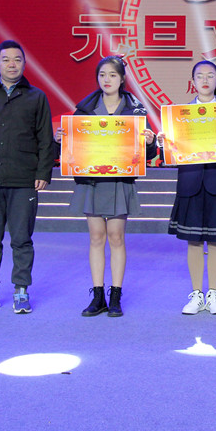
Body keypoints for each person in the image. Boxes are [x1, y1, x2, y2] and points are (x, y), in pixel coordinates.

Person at [56, 55, 157, 318]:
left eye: (112, 75)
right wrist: (61, 139)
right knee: (96, 237)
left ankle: (115, 296)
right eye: (102, 75)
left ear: (122, 79)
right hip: (91, 181)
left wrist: (149, 143)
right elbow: (72, 149)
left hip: (119, 180)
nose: (107, 79)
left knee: (116, 237)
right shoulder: (84, 111)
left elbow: (147, 156)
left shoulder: (135, 112)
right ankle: (97, 295)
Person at [0, 39, 56, 315]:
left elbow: (45, 139)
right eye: (6, 59)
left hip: (24, 178)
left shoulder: (36, 97)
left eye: (17, 59)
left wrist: (43, 172)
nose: (12, 64)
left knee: (22, 239)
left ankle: (21, 290)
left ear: (24, 64)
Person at [158, 60, 216, 315]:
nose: (205, 80)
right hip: (191, 181)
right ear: (193, 82)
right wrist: (165, 141)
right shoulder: (180, 116)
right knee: (194, 241)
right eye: (200, 76)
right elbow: (173, 149)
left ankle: (213, 294)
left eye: (211, 75)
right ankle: (197, 294)